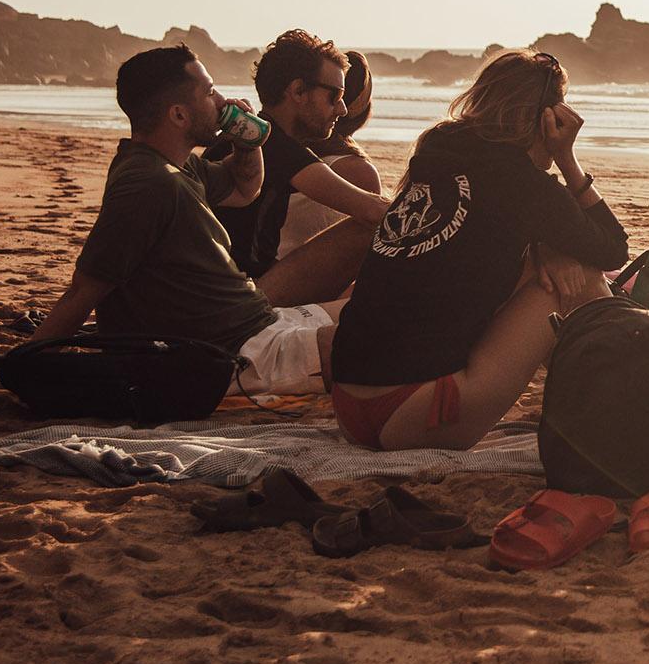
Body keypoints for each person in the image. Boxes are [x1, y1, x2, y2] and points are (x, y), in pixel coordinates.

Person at [327, 50, 628, 451]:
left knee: (549, 267)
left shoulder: (436, 149)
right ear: (548, 117)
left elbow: (478, 234)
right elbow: (613, 249)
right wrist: (566, 158)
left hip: (350, 408)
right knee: (578, 279)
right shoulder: (525, 186)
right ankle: (623, 416)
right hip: (418, 413)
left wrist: (545, 249)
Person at [29, 45, 356, 395]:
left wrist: (247, 143)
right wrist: (27, 363)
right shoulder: (148, 185)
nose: (222, 101)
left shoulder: (177, 167)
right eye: (210, 92)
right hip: (243, 353)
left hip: (261, 322)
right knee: (391, 337)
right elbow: (84, 290)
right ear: (179, 115)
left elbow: (245, 189)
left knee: (379, 309)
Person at [211, 29, 388, 277]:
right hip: (241, 289)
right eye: (335, 95)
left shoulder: (243, 138)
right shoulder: (275, 145)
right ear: (298, 92)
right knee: (366, 229)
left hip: (237, 278)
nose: (343, 109)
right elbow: (370, 209)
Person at [276, 50, 380, 259]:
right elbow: (377, 218)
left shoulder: (276, 147)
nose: (341, 109)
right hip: (292, 275)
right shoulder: (356, 170)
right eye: (335, 98)